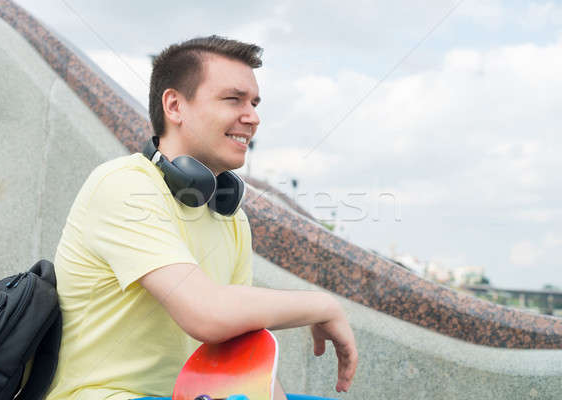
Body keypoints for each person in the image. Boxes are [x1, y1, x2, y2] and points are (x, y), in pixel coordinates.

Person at [45, 36, 358, 400]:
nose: (253, 117)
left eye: (254, 103)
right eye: (233, 99)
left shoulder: (229, 213)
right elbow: (207, 314)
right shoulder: (124, 186)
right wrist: (323, 306)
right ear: (175, 106)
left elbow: (240, 343)